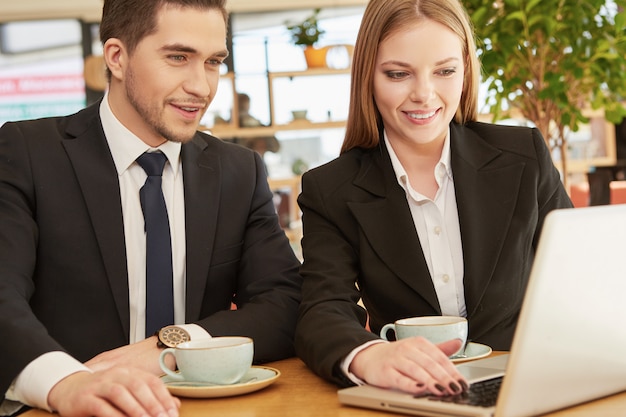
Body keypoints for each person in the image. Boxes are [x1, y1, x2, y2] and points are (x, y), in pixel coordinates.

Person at [0, 1, 302, 416]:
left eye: (213, 62)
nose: (202, 86)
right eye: (178, 57)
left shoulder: (237, 170)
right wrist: (65, 384)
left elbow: (285, 301)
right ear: (117, 57)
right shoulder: (28, 153)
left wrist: (172, 344)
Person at [294, 0, 573, 399]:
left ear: (465, 72)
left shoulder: (523, 158)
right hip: (417, 395)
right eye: (398, 74)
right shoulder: (331, 189)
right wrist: (368, 355)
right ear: (368, 77)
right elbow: (322, 309)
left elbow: (573, 281)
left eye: (444, 71)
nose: (424, 94)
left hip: (528, 386)